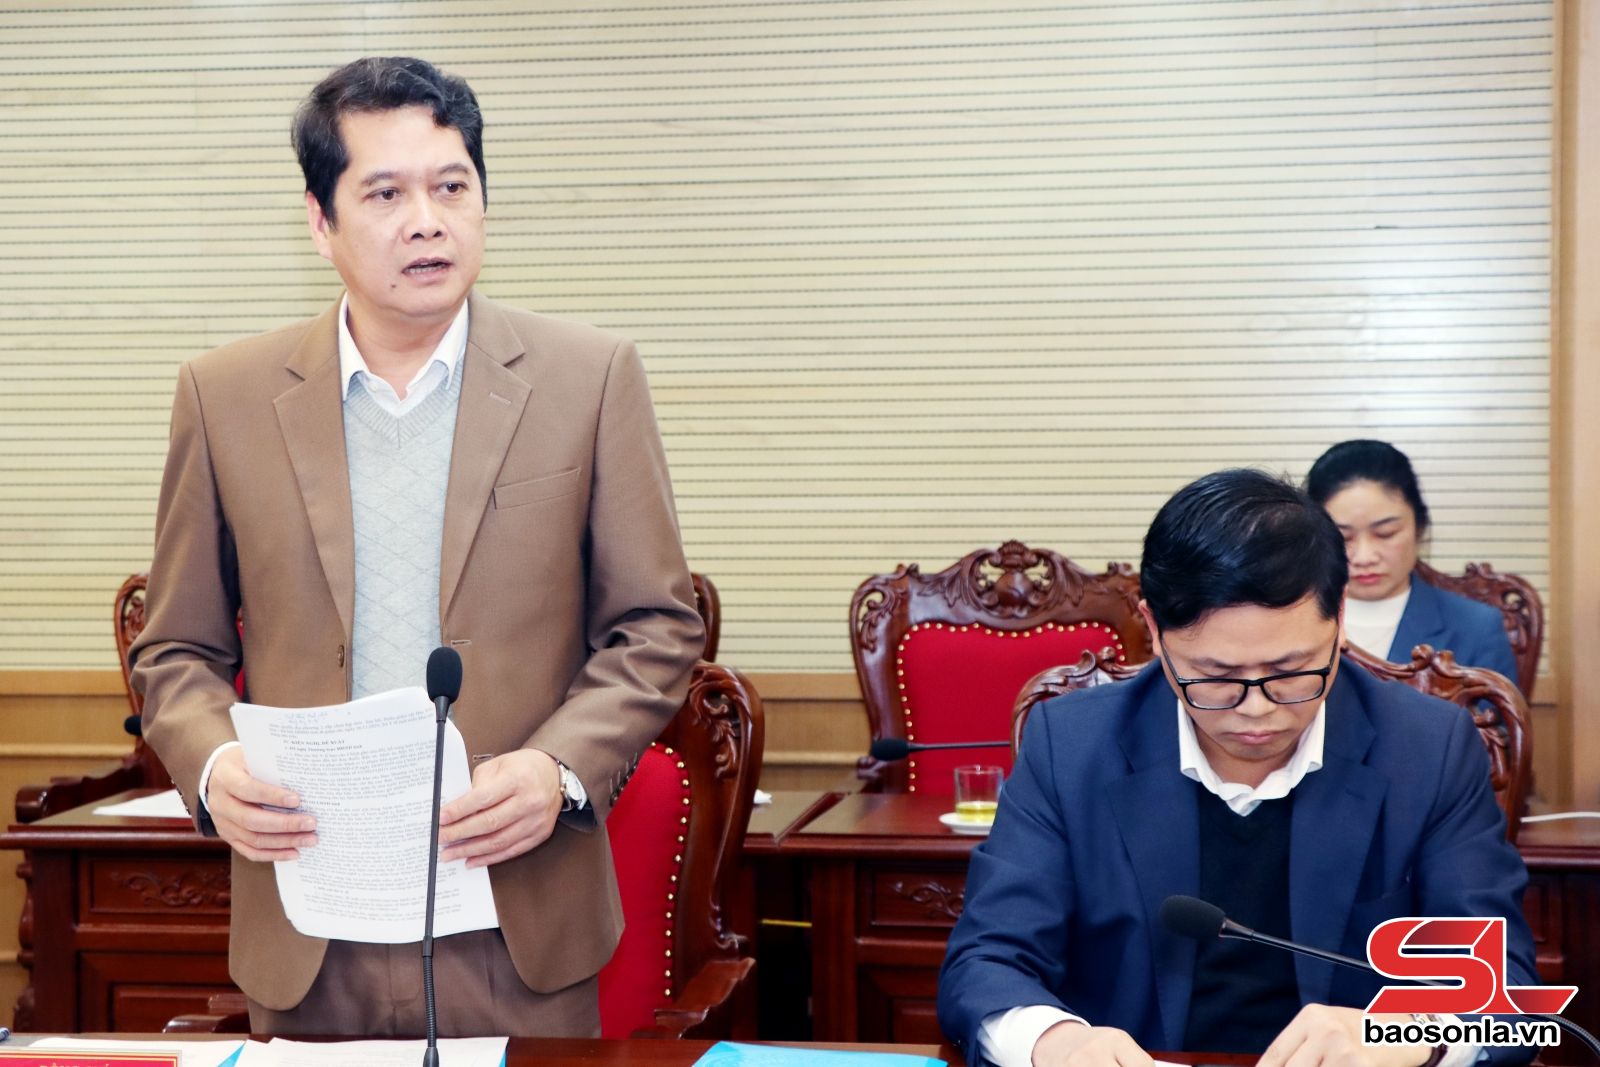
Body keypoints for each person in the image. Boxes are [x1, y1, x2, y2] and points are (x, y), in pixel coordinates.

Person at [128, 57, 704, 1036]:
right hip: (309, 913)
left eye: (451, 186)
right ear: (320, 222)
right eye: (385, 193)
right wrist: (215, 767)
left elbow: (655, 625)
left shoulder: (589, 377)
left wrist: (558, 768)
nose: (427, 221)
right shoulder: (224, 396)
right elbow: (175, 647)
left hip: (516, 911)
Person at [937, 469, 1535, 1067]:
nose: (1257, 709)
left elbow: (1512, 998)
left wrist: (1406, 1036)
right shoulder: (1072, 745)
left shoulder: (1427, 748)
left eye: (1291, 670)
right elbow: (986, 961)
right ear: (1154, 630)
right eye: (1216, 676)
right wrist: (1059, 1044)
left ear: (1339, 615)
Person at [1305, 439, 1517, 684]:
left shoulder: (1477, 627)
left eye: (1386, 533)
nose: (1365, 557)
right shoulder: (1289, 620)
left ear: (1419, 527)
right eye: (1343, 537)